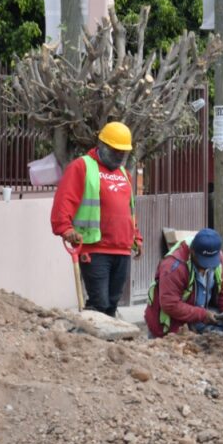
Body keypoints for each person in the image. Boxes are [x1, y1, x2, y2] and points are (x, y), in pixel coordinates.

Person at [51, 122, 142, 317]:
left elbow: (130, 210)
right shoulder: (82, 166)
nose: (119, 156)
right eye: (115, 151)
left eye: (123, 152)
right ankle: (89, 333)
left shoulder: (124, 174)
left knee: (112, 303)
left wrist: (136, 237)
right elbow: (65, 200)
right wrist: (66, 229)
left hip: (122, 248)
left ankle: (104, 336)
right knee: (99, 302)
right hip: (95, 247)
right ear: (102, 145)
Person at [144, 228, 223, 338]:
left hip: (197, 316)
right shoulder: (173, 266)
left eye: (211, 262)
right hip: (169, 326)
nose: (207, 267)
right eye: (203, 262)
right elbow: (170, 304)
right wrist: (202, 314)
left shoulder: (216, 257)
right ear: (192, 251)